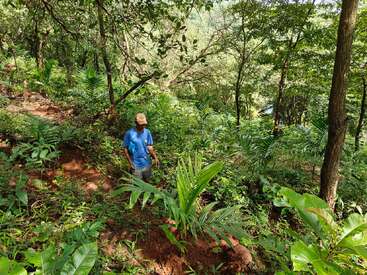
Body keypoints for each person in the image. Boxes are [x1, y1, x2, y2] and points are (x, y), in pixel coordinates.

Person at [123, 113, 159, 181]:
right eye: (141, 124)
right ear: (136, 123)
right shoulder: (129, 133)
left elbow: (150, 147)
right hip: (135, 165)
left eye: (144, 124)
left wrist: (155, 157)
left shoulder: (147, 132)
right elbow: (125, 149)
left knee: (147, 182)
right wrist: (130, 163)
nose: (143, 126)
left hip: (147, 163)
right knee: (137, 185)